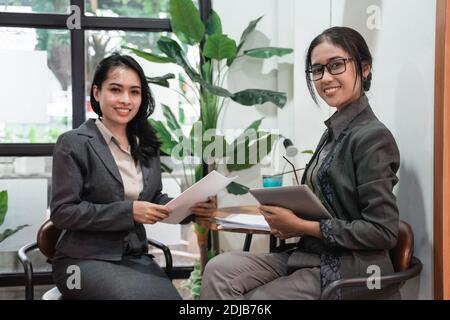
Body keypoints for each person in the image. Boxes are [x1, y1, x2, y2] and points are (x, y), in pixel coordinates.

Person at [200, 26, 401, 300]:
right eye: (317, 70)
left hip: (351, 269)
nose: (325, 77)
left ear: (364, 68)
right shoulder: (336, 130)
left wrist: (302, 226)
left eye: (336, 65)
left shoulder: (372, 136)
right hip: (312, 254)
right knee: (219, 269)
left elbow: (383, 232)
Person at [50, 53, 216, 300]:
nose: (125, 100)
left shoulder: (146, 144)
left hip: (134, 256)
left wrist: (192, 207)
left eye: (135, 92)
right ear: (97, 93)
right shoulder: (73, 143)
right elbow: (63, 212)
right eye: (116, 90)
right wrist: (128, 211)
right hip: (82, 260)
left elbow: (155, 197)